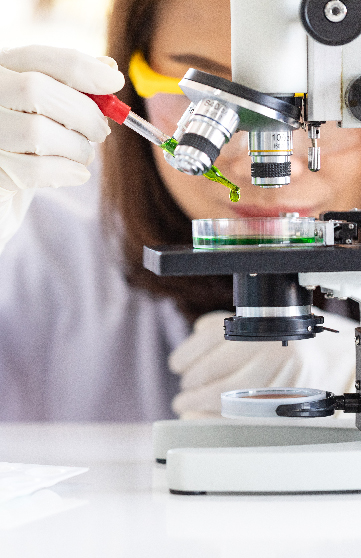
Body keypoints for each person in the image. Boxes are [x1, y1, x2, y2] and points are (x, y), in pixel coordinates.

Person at [0, 0, 358, 421]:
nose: (248, 162)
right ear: (134, 81)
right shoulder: (43, 235)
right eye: (208, 97)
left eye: (327, 98)